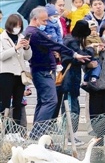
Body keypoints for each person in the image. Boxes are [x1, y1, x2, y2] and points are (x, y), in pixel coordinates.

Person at [24, 7, 90, 139]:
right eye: (43, 21)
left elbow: (50, 45)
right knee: (51, 101)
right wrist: (74, 54)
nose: (46, 24)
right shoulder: (35, 33)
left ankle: (37, 135)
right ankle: (37, 134)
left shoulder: (33, 32)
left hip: (43, 70)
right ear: (34, 19)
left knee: (42, 102)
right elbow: (54, 44)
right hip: (43, 71)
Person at [55, 20, 92, 146]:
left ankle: (71, 135)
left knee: (71, 107)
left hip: (71, 81)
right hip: (69, 81)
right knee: (70, 108)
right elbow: (83, 57)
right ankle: (69, 135)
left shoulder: (68, 39)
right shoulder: (73, 42)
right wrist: (92, 50)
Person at [0, 14, 32, 125]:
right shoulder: (2, 37)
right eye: (15, 25)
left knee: (18, 104)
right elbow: (1, 56)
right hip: (6, 73)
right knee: (5, 103)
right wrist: (16, 48)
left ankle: (16, 130)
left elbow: (28, 57)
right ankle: (5, 129)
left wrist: (27, 47)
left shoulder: (21, 37)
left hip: (20, 74)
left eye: (19, 25)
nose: (17, 28)